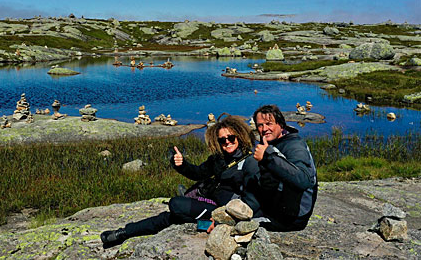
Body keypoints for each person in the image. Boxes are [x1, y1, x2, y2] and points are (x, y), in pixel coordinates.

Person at [100, 114, 259, 248]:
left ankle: (201, 223)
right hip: (211, 203)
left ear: (240, 136)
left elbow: (252, 200)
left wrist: (221, 221)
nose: (227, 142)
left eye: (231, 138)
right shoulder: (219, 159)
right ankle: (123, 233)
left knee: (176, 205)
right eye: (222, 140)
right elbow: (198, 173)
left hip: (222, 212)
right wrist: (182, 164)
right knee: (170, 216)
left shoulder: (250, 162)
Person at [249, 104, 318, 231]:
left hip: (292, 218)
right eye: (260, 125)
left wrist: (267, 157)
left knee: (242, 223)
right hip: (278, 206)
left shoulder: (294, 145)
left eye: (269, 124)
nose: (264, 129)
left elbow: (303, 180)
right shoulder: (271, 142)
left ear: (281, 125)